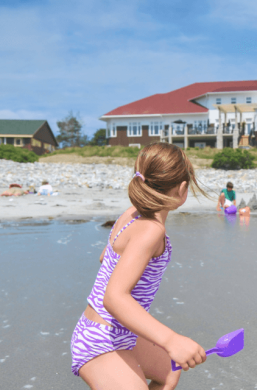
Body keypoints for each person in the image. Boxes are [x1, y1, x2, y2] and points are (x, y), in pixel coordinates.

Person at [70, 143, 208, 389]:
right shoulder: (151, 230)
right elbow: (113, 298)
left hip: (114, 330)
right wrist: (171, 339)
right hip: (100, 339)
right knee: (170, 354)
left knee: (169, 371)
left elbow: (106, 256)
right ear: (183, 189)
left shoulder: (132, 213)